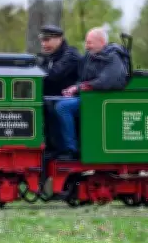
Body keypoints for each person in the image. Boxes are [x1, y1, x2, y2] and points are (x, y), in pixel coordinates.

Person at [53, 26, 130, 157]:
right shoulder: (90, 56)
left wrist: (78, 88)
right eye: (86, 42)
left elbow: (106, 82)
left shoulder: (113, 58)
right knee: (55, 102)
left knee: (63, 107)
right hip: (91, 98)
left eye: (89, 42)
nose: (87, 46)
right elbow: (83, 78)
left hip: (101, 99)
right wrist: (72, 89)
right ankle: (58, 147)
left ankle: (71, 149)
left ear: (101, 42)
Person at [36, 24, 82, 97]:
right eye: (42, 41)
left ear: (59, 39)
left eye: (47, 40)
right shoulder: (49, 56)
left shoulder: (71, 55)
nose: (43, 44)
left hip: (66, 99)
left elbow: (54, 75)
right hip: (50, 98)